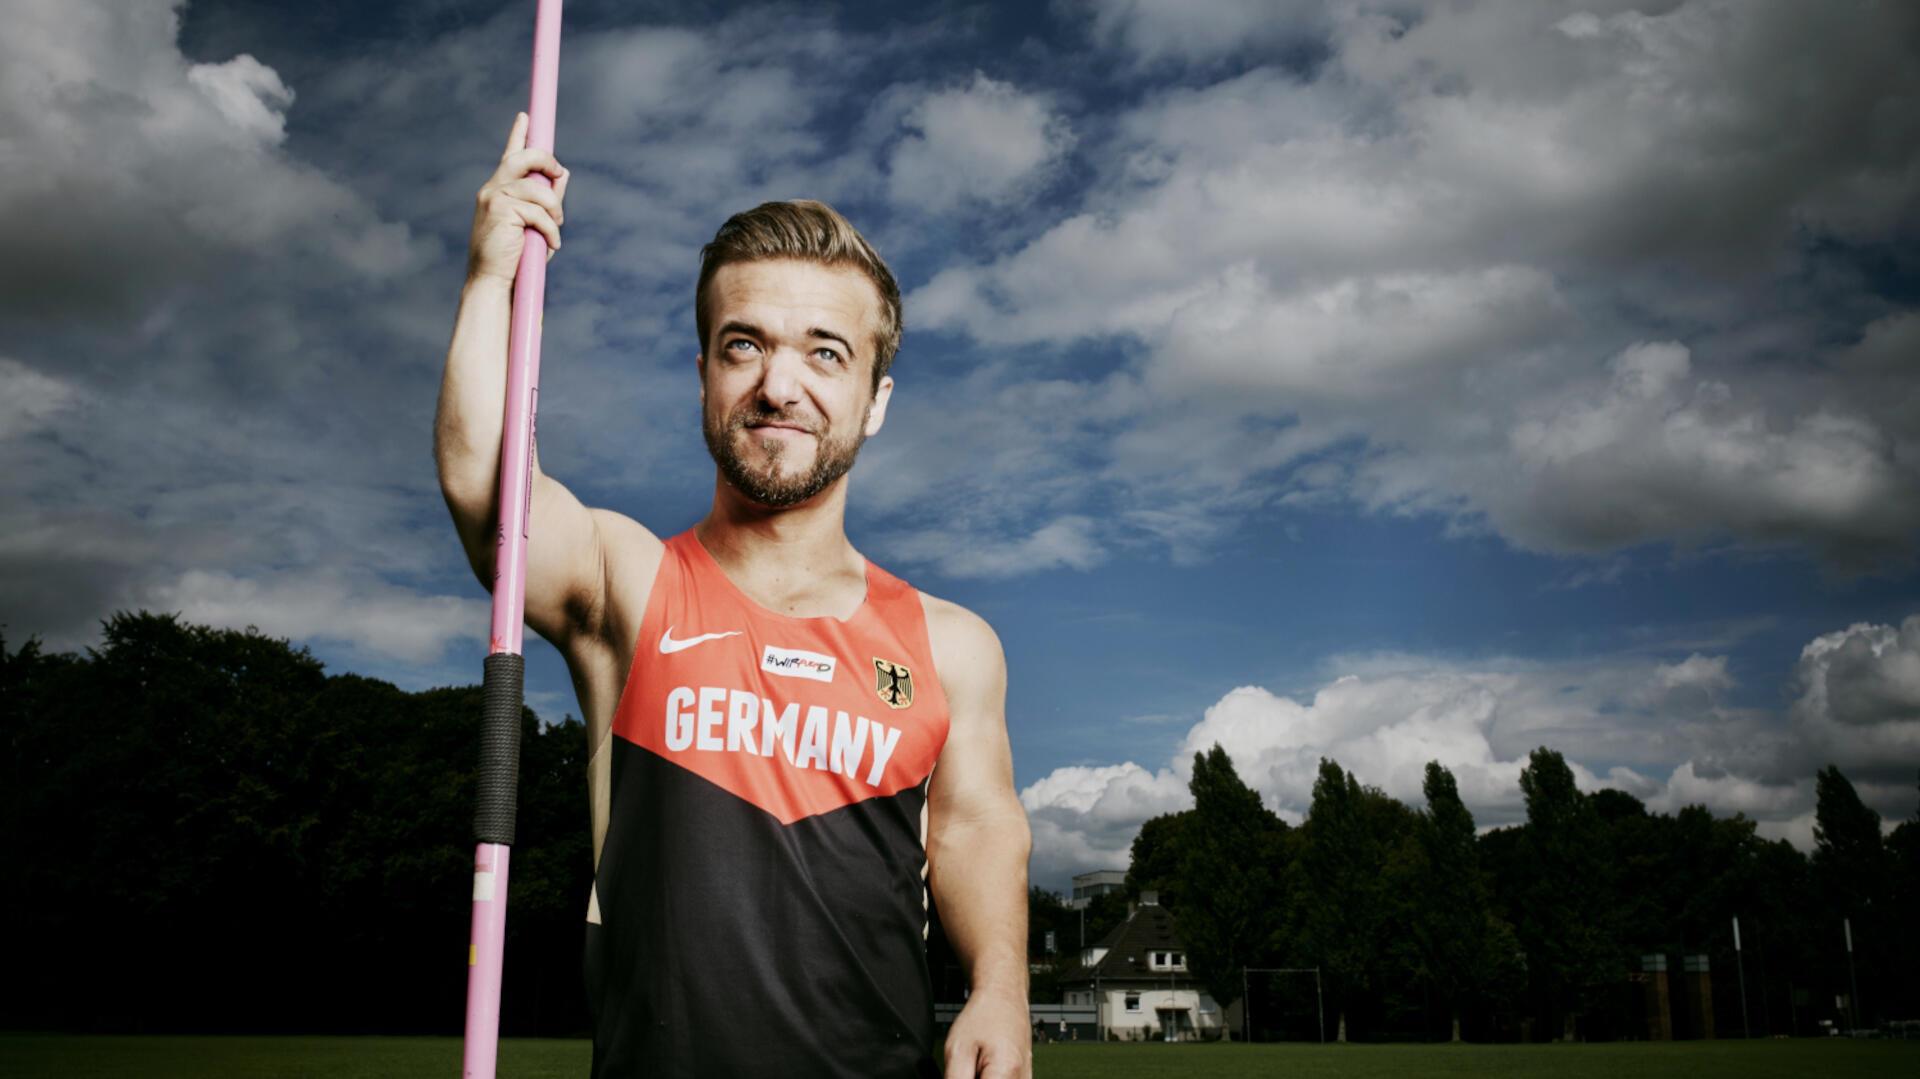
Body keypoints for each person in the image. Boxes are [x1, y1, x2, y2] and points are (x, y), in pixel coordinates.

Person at [436, 112, 1032, 1079]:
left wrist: (1001, 984)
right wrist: (490, 277)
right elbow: (486, 487)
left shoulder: (951, 644)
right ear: (705, 374)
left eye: (825, 352)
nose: (778, 384)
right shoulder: (627, 583)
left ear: (877, 399)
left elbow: (976, 827)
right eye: (743, 344)